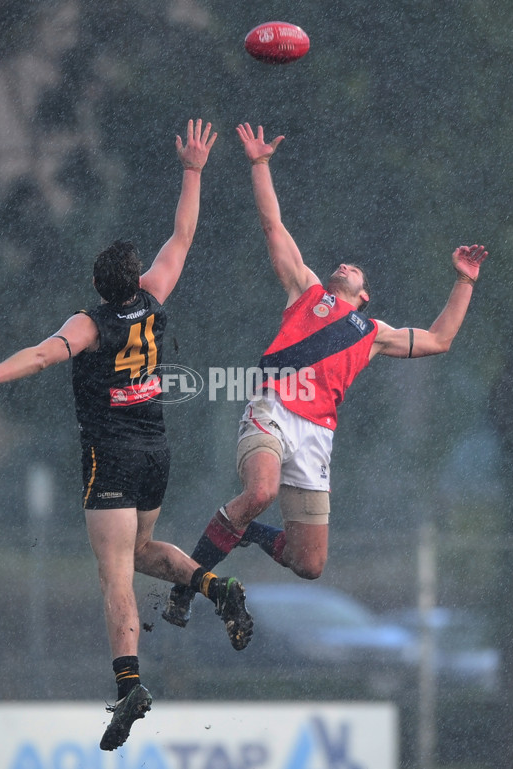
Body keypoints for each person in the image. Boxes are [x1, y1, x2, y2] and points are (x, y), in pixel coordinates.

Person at [0, 119, 253, 752]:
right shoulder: (154, 297)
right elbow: (183, 235)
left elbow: (42, 356)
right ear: (135, 277)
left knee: (114, 578)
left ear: (97, 287)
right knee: (145, 554)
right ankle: (216, 585)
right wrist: (194, 170)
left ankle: (127, 688)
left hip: (112, 455)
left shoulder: (91, 324)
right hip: (156, 452)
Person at [162, 122, 488, 628]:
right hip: (272, 407)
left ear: (366, 295)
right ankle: (189, 582)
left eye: (355, 268)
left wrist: (464, 282)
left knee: (309, 563)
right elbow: (273, 226)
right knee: (261, 493)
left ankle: (244, 531)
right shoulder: (308, 291)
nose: (344, 264)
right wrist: (259, 163)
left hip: (317, 435)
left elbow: (439, 340)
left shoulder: (373, 331)